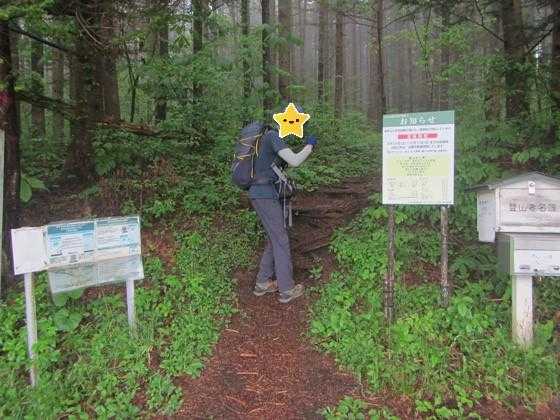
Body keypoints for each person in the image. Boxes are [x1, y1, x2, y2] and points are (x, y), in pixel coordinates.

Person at [249, 108, 317, 303]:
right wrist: (310, 146)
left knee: (274, 238)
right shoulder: (272, 136)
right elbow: (294, 161)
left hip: (262, 194)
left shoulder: (268, 139)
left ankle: (263, 283)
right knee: (281, 239)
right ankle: (287, 289)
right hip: (264, 195)